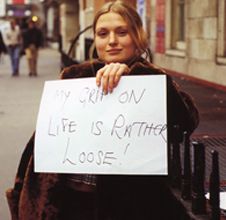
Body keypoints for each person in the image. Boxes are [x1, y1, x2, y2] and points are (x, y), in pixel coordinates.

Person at [6, 1, 199, 219]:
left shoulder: (153, 81)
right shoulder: (74, 76)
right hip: (68, 204)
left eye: (122, 32)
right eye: (103, 33)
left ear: (138, 37)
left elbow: (185, 122)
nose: (112, 41)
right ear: (95, 39)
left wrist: (133, 76)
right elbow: (42, 141)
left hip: (128, 207)